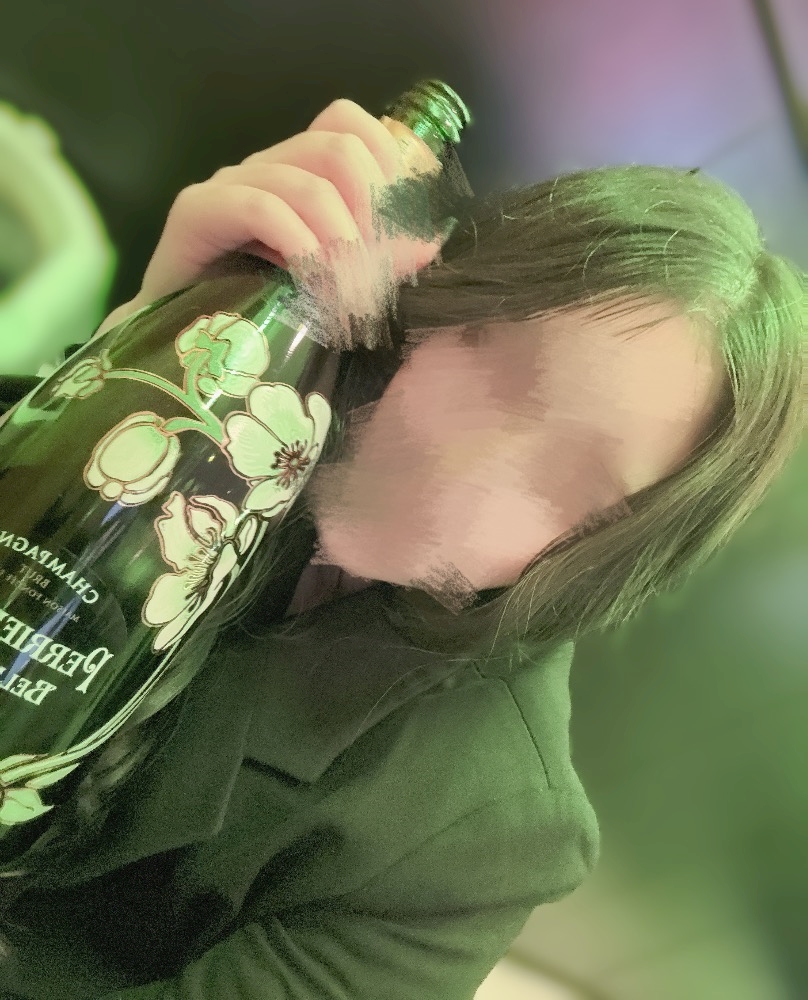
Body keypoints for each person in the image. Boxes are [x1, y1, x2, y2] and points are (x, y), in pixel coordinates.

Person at [0, 97, 804, 999]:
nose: (471, 470)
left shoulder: (479, 844)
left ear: (611, 549)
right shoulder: (283, 403)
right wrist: (137, 344)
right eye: (496, 360)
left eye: (573, 479)